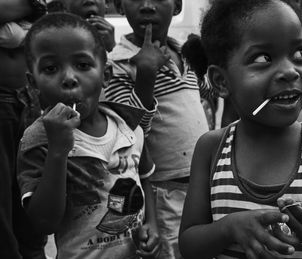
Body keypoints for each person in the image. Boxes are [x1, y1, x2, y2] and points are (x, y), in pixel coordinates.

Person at [178, 0, 302, 258]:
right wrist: (227, 229)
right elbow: (189, 245)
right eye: (263, 58)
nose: (290, 71)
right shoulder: (211, 149)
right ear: (221, 81)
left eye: (299, 53)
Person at [17, 12, 161, 258]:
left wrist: (152, 224)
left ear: (105, 75)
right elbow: (44, 223)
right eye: (51, 68)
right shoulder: (37, 140)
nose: (69, 78)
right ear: (33, 83)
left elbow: (145, 179)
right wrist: (58, 151)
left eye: (83, 65)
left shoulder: (128, 126)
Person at [104, 0, 214, 258]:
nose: (146, 6)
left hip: (202, 183)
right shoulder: (120, 64)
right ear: (120, 7)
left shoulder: (184, 52)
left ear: (176, 7)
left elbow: (202, 95)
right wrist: (145, 77)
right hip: (164, 191)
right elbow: (127, 133)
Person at [0, 0, 46, 258]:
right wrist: (29, 6)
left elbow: (41, 15)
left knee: (29, 187)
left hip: (28, 99)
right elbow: (36, 8)